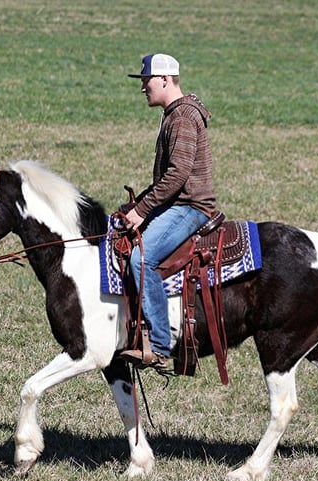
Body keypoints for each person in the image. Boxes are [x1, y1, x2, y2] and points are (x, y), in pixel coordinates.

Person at [119, 53, 217, 372]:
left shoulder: (183, 116)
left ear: (163, 79)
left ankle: (160, 346)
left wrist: (143, 209)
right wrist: (138, 207)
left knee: (141, 259)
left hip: (190, 207)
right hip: (177, 203)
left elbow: (177, 175)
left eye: (146, 80)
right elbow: (167, 179)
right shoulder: (175, 113)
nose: (143, 87)